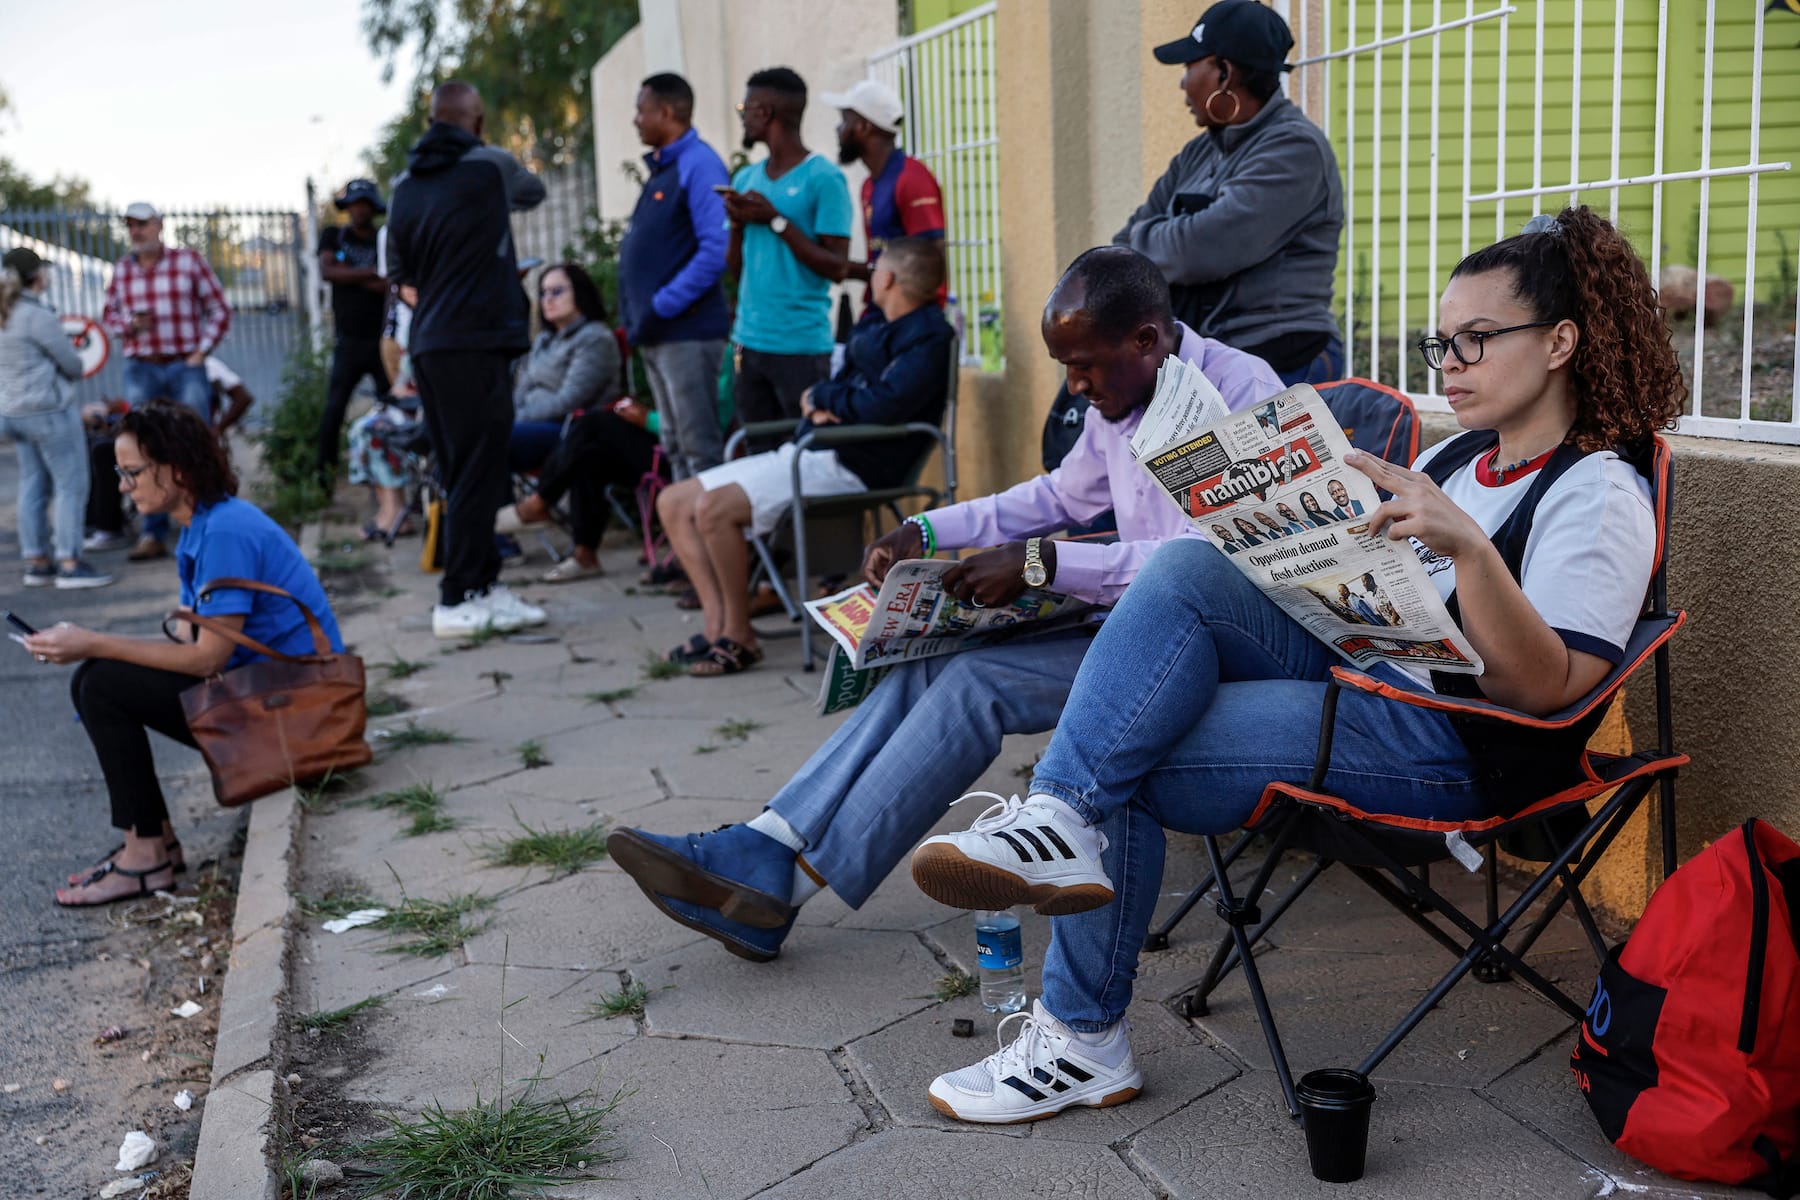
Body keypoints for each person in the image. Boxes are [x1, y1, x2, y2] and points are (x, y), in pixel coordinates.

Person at [909, 205, 1684, 1124]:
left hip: (1456, 743)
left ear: (1560, 341)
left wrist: (1470, 553)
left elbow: (1551, 690)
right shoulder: (1465, 457)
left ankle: (1080, 1037)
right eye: (1445, 344)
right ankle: (1058, 820)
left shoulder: (1597, 490)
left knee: (1131, 753)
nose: (1454, 366)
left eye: (1477, 340)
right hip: (1364, 667)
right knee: (1193, 564)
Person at [605, 245, 1282, 961]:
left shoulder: (1239, 391)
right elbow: (1058, 496)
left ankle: (777, 888)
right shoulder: (1125, 394)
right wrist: (930, 527)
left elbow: (1202, 566)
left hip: (1215, 645)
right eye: (1066, 367)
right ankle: (767, 845)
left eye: (1086, 365)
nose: (1077, 385)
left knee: (974, 687)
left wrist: (1041, 562)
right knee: (930, 664)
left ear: (1146, 338)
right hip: (1131, 627)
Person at [24, 401, 346, 906]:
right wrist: (91, 648)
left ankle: (147, 853)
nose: (123, 487)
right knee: (97, 678)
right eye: (120, 472)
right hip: (274, 702)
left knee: (102, 681)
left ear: (174, 469)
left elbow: (206, 660)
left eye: (132, 472)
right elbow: (191, 645)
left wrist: (93, 641)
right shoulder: (202, 524)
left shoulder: (224, 532)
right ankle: (152, 842)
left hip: (299, 720)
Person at [655, 237, 954, 677]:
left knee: (713, 510)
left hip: (853, 466)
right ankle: (718, 625)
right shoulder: (873, 321)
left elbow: (886, 404)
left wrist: (828, 399)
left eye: (875, 268)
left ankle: (740, 635)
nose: (871, 273)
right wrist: (829, 398)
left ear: (887, 278)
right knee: (673, 502)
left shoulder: (931, 335)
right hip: (812, 450)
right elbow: (851, 391)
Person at [385, 80, 549, 640]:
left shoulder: (403, 185)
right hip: (474, 342)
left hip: (429, 344)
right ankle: (457, 597)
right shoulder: (490, 165)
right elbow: (535, 192)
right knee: (481, 469)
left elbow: (400, 274)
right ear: (476, 122)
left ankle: (482, 586)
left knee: (463, 470)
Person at [1116, 1, 1344, 388]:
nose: (1182, 82)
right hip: (1207, 358)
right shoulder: (1199, 152)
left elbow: (1199, 251)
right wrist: (1164, 239)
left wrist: (1159, 238)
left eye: (1190, 66)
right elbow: (1124, 249)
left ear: (1225, 72)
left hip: (1279, 359)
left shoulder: (1294, 149)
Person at [720, 68, 855, 433]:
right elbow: (736, 271)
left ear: (764, 112)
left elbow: (837, 267)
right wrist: (736, 224)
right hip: (748, 345)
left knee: (803, 461)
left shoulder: (823, 178)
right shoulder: (746, 179)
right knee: (757, 458)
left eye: (745, 107)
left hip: (801, 347)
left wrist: (776, 221)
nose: (743, 116)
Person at [101, 201, 233, 561]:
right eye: (131, 225)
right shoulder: (122, 270)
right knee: (141, 447)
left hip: (183, 365)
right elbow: (107, 318)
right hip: (141, 366)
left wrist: (201, 352)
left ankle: (211, 525)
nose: (136, 231)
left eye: (142, 224)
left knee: (194, 443)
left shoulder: (187, 261)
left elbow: (220, 309)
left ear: (159, 225)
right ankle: (153, 532)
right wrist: (129, 326)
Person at [617, 72, 731, 481]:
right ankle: (689, 544)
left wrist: (662, 304)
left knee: (699, 450)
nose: (635, 120)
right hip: (659, 333)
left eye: (641, 110)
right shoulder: (665, 169)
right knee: (676, 447)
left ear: (666, 112)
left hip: (688, 332)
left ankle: (712, 541)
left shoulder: (699, 163)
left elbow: (716, 249)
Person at [0, 247, 113, 589]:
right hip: (49, 413)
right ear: (36, 276)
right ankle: (70, 562)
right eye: (45, 270)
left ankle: (37, 562)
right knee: (71, 485)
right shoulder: (38, 315)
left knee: (33, 484)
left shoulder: (4, 313)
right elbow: (73, 365)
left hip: (14, 412)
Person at [819, 77, 946, 318]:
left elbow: (932, 260)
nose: (838, 129)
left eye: (845, 120)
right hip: (880, 314)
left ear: (864, 127)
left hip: (910, 321)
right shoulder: (869, 184)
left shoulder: (912, 179)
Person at [316, 179, 392, 479]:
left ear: (372, 208)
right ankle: (324, 474)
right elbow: (327, 270)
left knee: (391, 405)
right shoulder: (334, 235)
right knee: (334, 408)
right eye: (355, 204)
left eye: (365, 204)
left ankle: (388, 471)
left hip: (379, 339)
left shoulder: (382, 240)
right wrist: (370, 274)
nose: (359, 210)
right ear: (347, 207)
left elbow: (389, 283)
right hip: (348, 340)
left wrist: (348, 275)